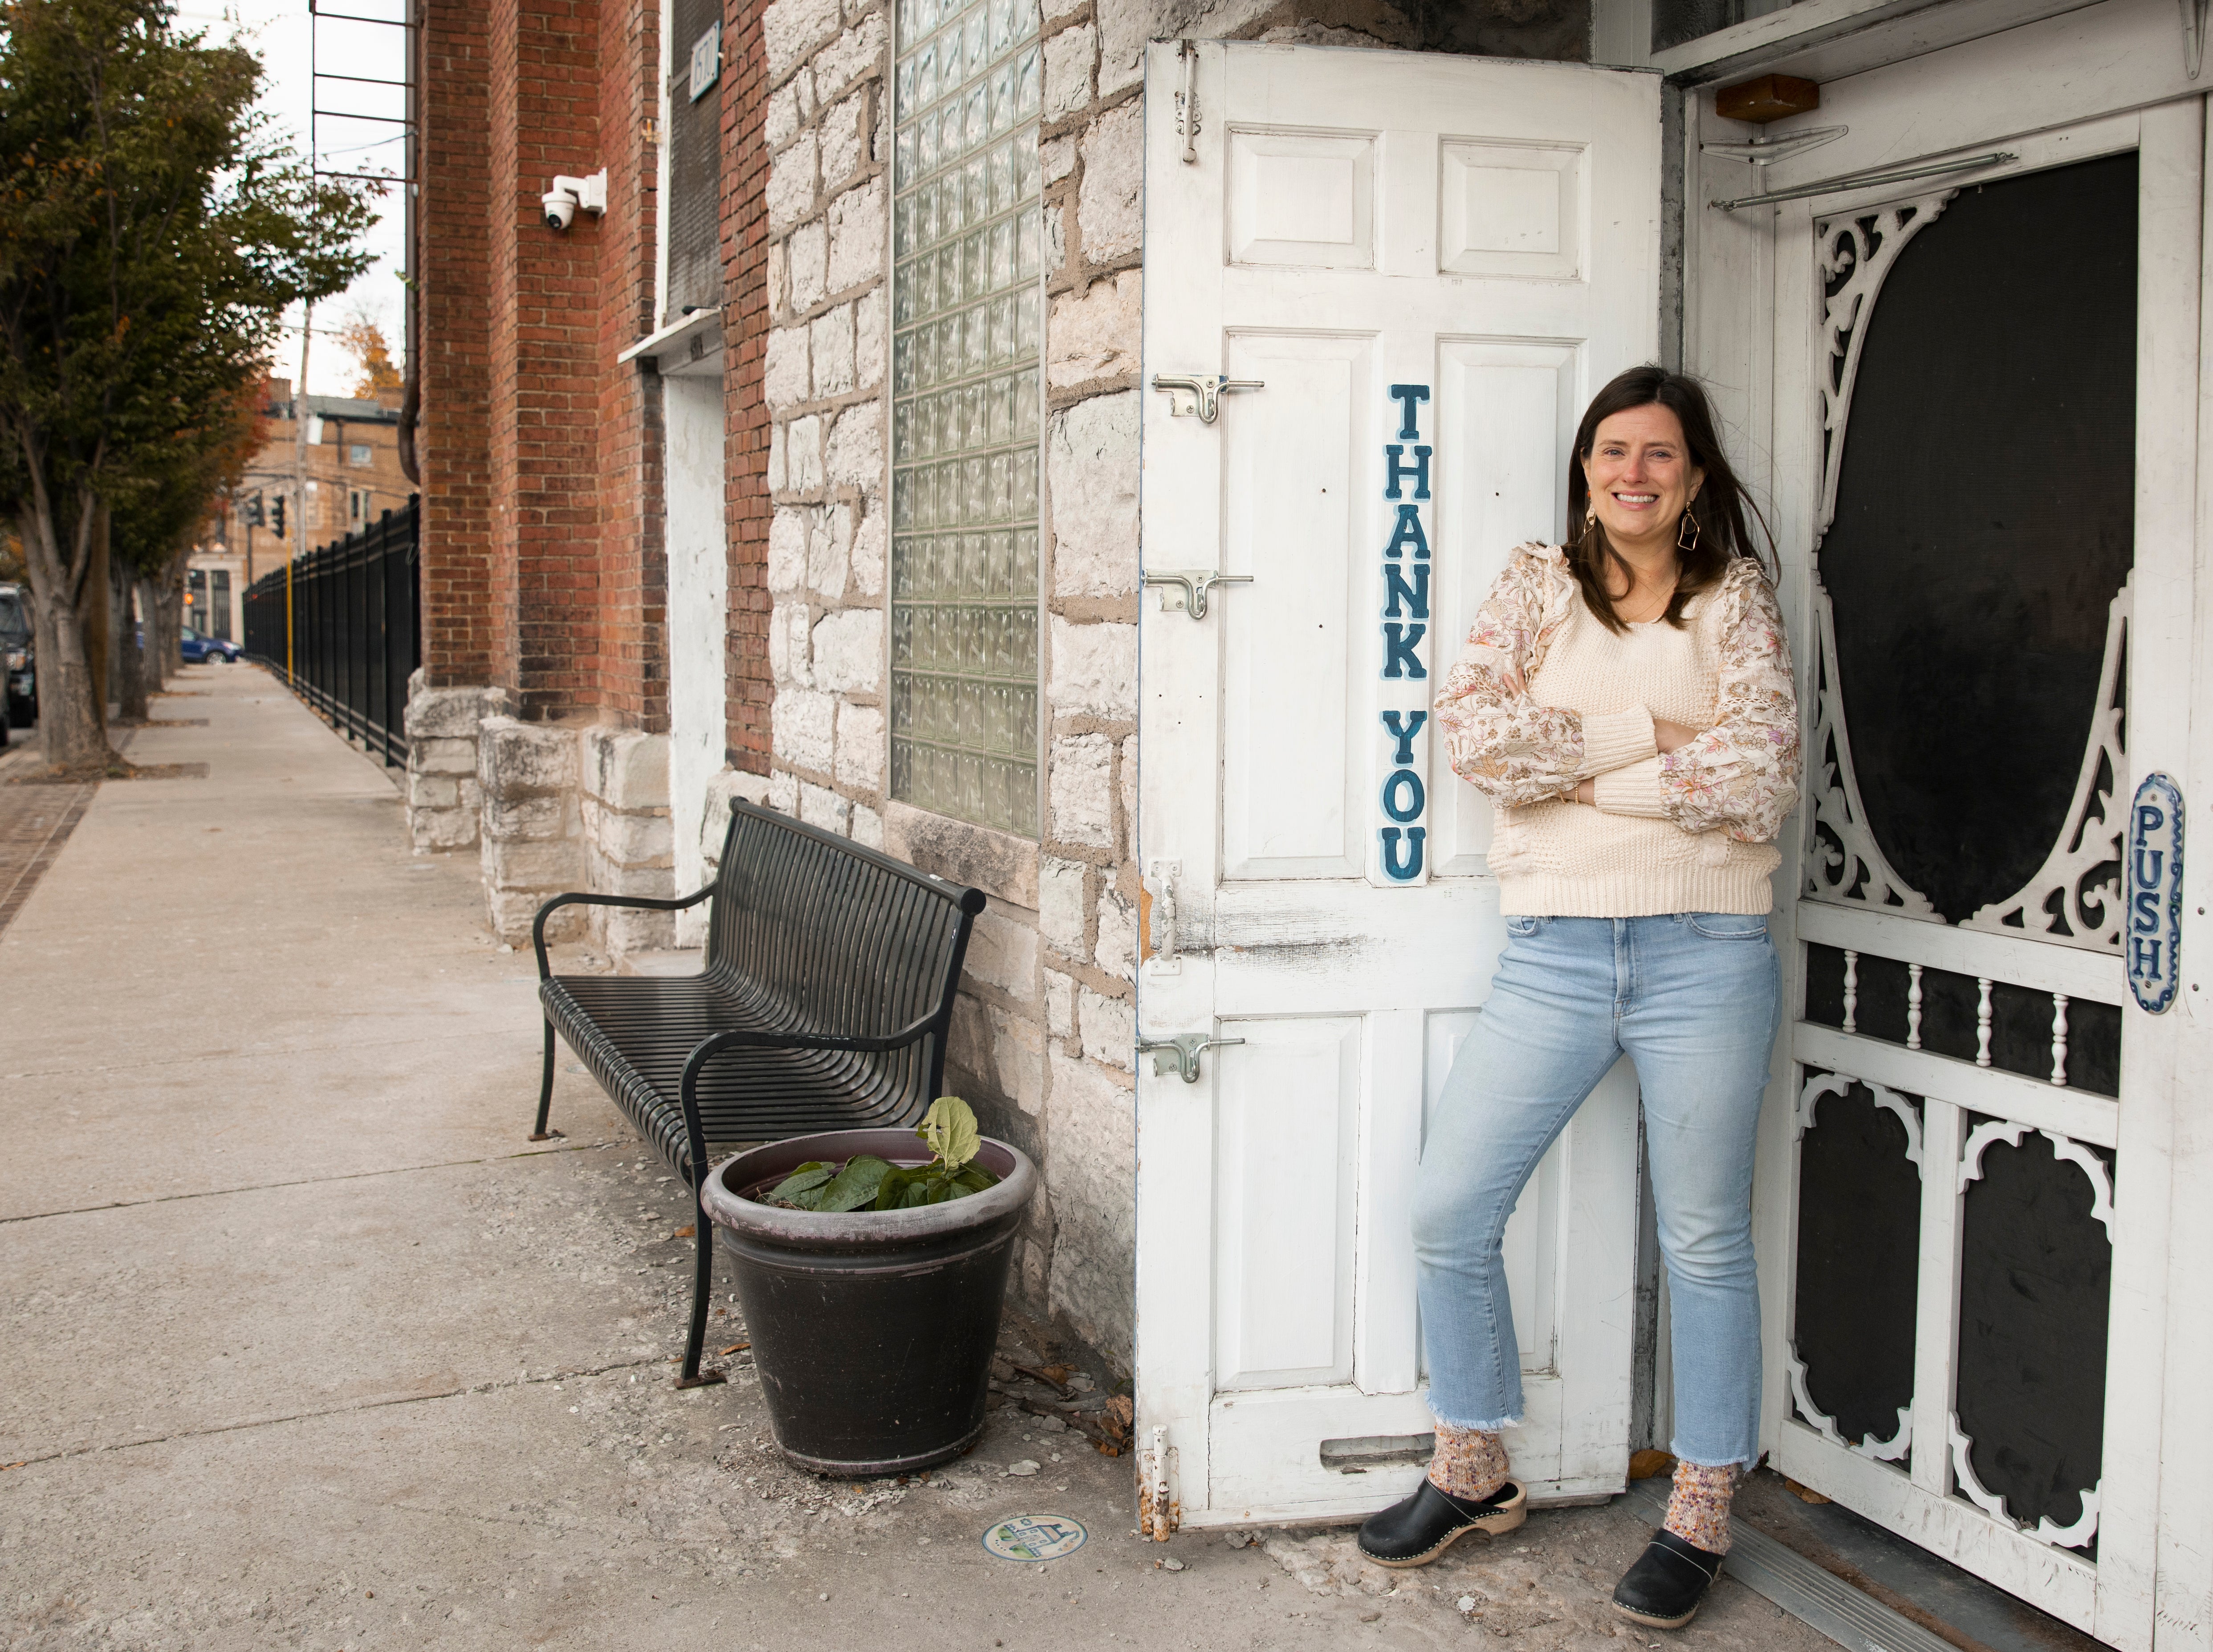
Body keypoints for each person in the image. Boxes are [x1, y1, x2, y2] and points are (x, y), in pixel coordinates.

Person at [1355, 366, 1801, 1631]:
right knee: (1447, 1209)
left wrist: (1576, 774)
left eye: (1660, 454)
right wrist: (1654, 744)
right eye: (1614, 450)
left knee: (1704, 1239)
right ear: (1586, 466)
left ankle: (1701, 1507)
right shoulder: (1534, 584)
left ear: (1694, 477)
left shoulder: (1735, 600)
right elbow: (1480, 741)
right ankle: (1473, 1465)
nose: (1634, 473)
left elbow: (1758, 773)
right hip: (1553, 951)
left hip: (1705, 952)